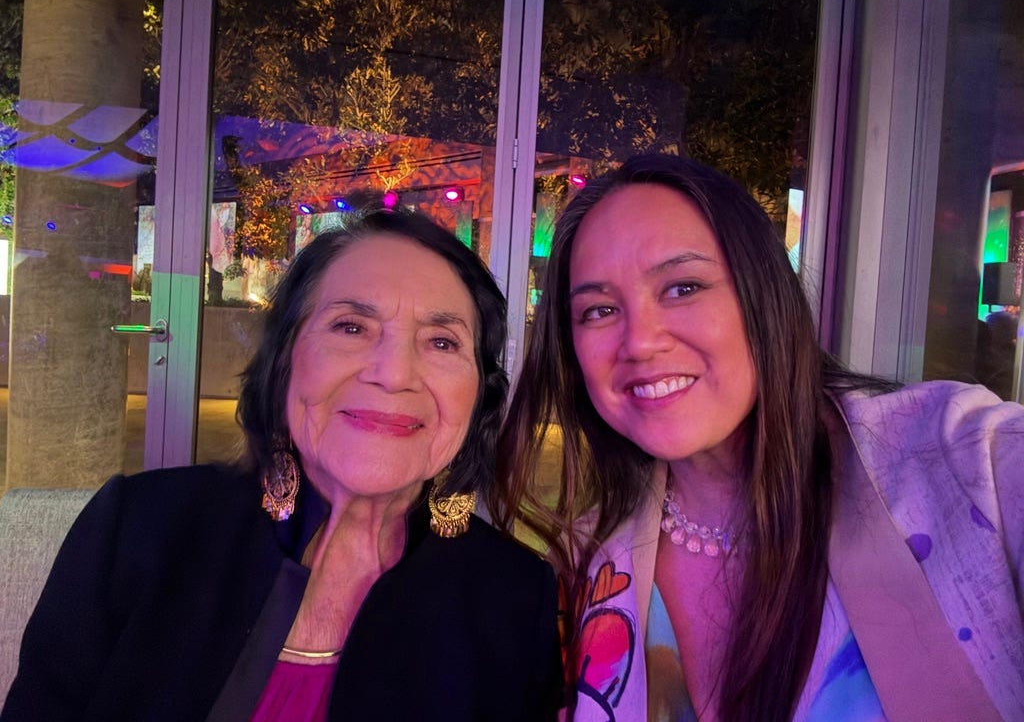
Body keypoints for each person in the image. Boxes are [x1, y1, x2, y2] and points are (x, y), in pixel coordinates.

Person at [489, 154, 1023, 722]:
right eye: (598, 310)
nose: (639, 342)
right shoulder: (588, 564)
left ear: (761, 294)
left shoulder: (960, 460)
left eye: (683, 287)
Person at [3, 210, 562, 721]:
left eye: (442, 342)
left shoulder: (513, 595)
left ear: (480, 392)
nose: (394, 374)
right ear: (286, 359)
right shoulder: (139, 529)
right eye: (351, 327)